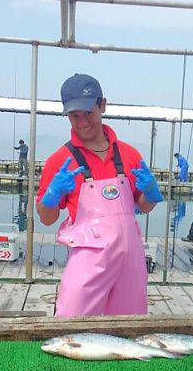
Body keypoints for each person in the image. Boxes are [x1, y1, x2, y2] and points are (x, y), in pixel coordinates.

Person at [36, 73, 163, 317]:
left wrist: (150, 194)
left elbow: (143, 207)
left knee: (129, 325)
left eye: (88, 112)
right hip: (88, 262)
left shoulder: (130, 155)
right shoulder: (59, 161)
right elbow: (47, 218)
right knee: (72, 322)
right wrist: (52, 194)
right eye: (74, 116)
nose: (82, 122)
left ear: (102, 105)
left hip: (131, 260)